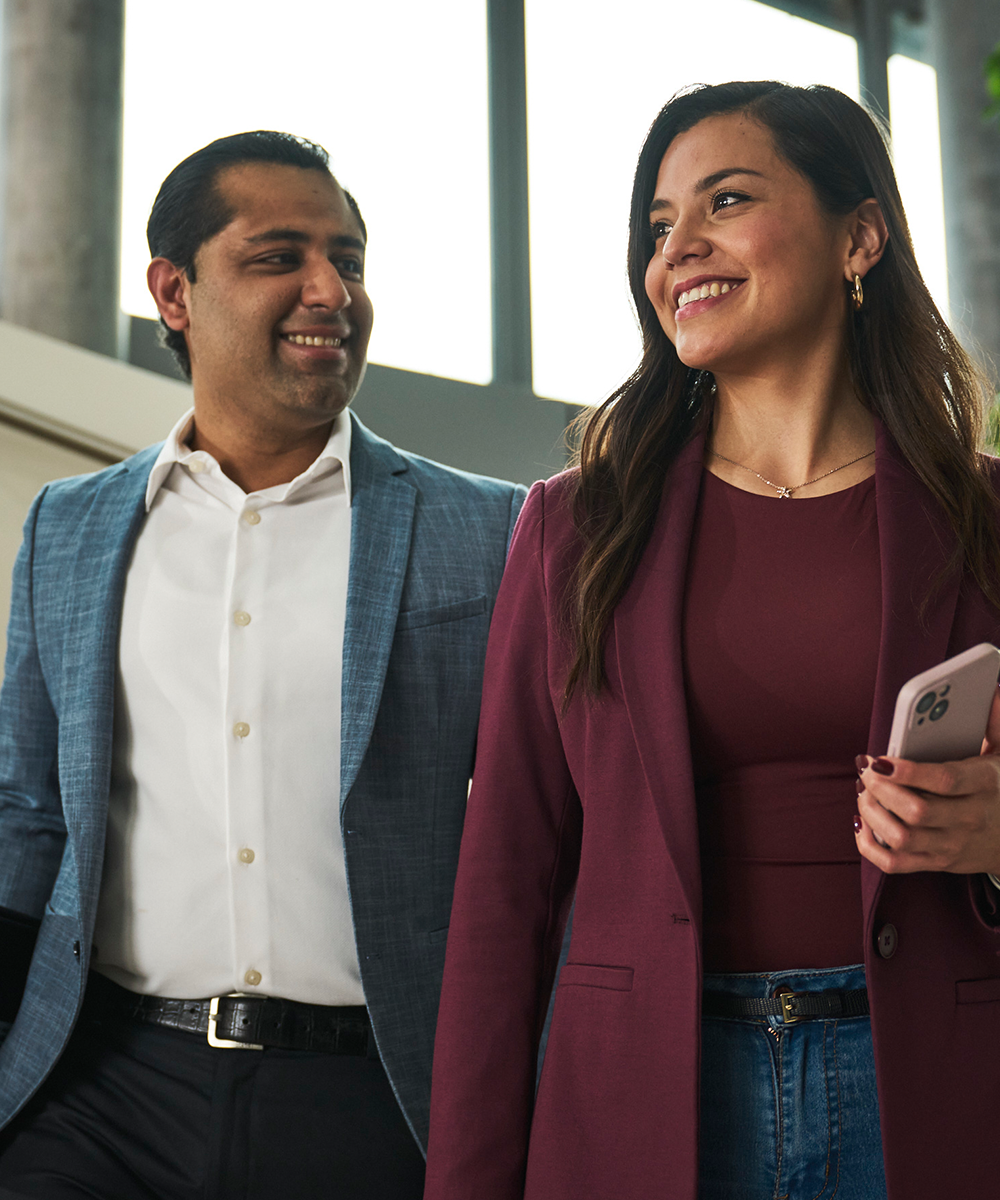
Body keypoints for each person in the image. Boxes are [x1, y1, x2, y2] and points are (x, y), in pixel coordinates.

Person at [423, 81, 1000, 1200]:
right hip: (647, 1101)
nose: (678, 247)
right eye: (656, 226)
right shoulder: (573, 526)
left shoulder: (984, 523)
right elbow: (505, 888)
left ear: (860, 236)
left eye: (724, 201)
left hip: (934, 1090)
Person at [0, 130, 525, 1199]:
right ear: (175, 291)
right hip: (102, 1092)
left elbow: (554, 822)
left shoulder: (495, 532)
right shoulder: (71, 527)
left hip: (376, 1099)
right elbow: (26, 807)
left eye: (350, 258)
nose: (330, 288)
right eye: (278, 255)